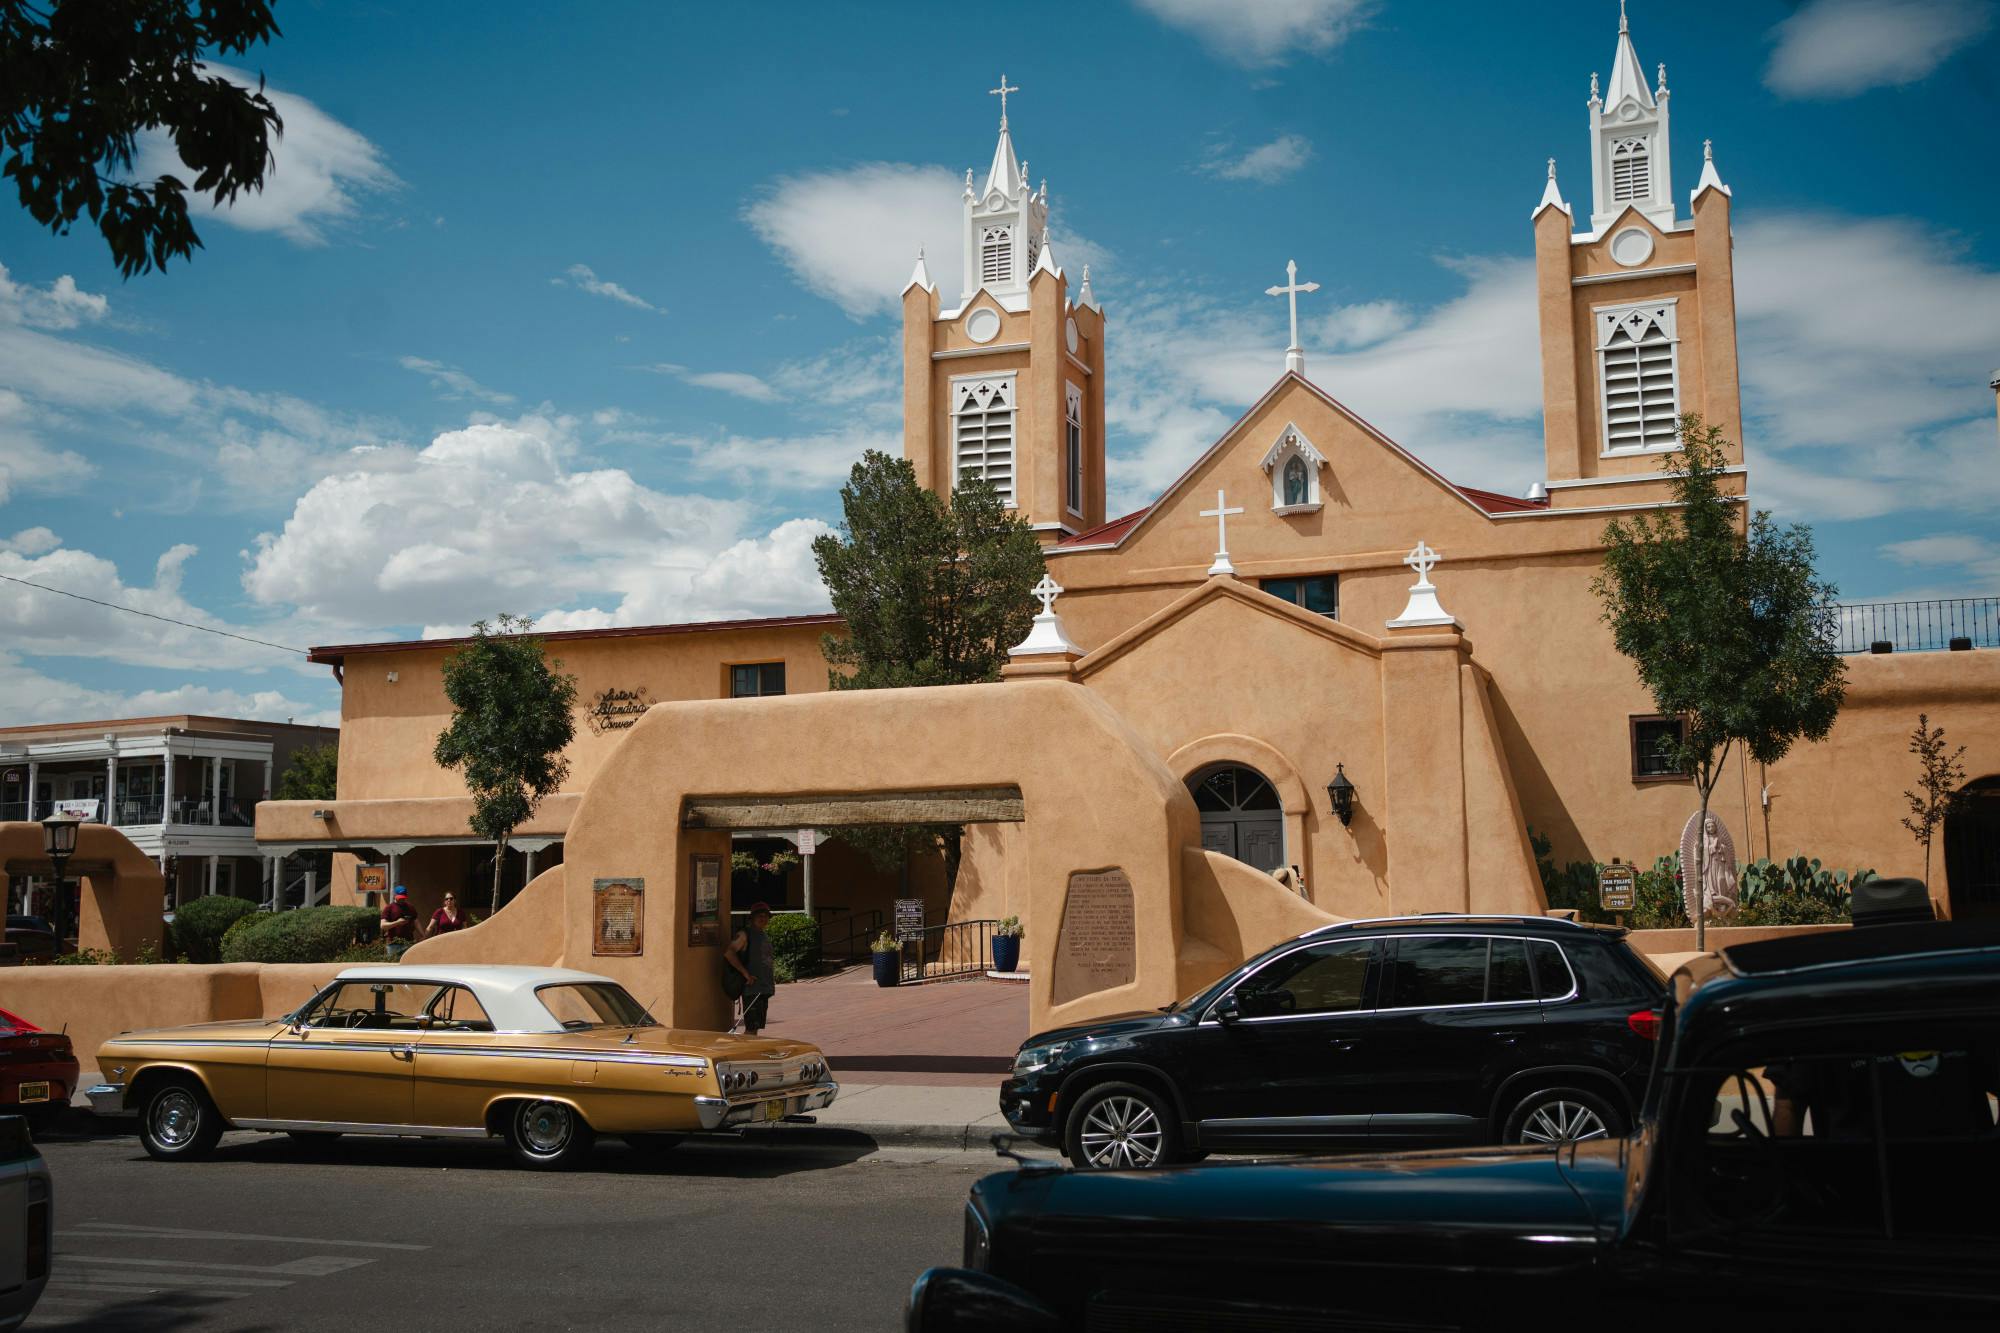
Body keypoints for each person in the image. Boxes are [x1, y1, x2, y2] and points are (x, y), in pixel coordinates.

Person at [726, 902, 776, 1035]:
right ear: (752, 918)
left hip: (763, 988)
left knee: (755, 1028)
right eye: (759, 915)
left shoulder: (763, 934)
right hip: (752, 989)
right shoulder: (745, 934)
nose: (763, 918)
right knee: (751, 1028)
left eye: (765, 916)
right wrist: (746, 974)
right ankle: (744, 1054)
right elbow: (729, 953)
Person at [379, 885, 418, 960]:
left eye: (403, 898)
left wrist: (423, 935)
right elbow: (383, 925)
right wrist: (397, 922)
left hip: (408, 943)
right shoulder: (389, 908)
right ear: (394, 895)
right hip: (393, 944)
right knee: (393, 966)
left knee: (408, 965)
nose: (402, 899)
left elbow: (416, 922)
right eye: (400, 897)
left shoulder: (410, 907)